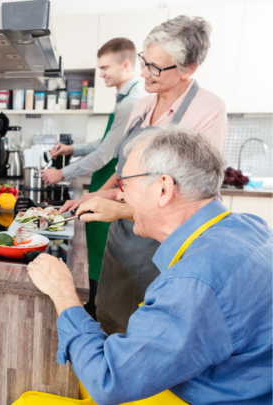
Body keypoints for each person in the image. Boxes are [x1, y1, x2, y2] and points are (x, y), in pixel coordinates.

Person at [26, 126, 272, 404]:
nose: (121, 197)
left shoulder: (193, 281)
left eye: (124, 185)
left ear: (164, 188)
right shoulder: (251, 226)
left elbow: (108, 380)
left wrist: (63, 294)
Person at [61, 15, 227, 335]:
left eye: (155, 68)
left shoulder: (208, 109)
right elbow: (124, 170)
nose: (143, 73)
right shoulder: (143, 105)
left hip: (163, 247)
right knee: (108, 315)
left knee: (147, 333)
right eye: (143, 61)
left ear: (188, 69)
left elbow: (192, 201)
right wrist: (93, 196)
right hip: (123, 239)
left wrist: (120, 209)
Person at [41, 38, 147, 311]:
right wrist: (72, 148)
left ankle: (97, 313)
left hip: (109, 186)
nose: (101, 74)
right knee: (96, 254)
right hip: (105, 183)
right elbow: (105, 143)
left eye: (104, 67)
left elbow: (103, 156)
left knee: (101, 258)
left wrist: (61, 172)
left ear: (126, 64)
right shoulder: (124, 98)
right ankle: (96, 309)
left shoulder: (131, 103)